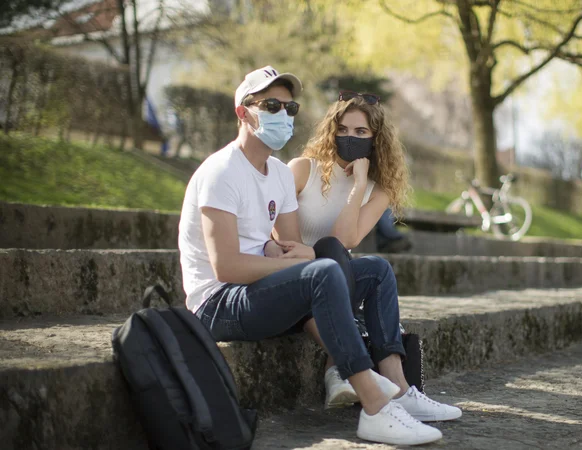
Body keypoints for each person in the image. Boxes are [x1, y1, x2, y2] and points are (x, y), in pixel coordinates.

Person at [178, 67, 444, 446]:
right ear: (243, 112)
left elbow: (288, 246)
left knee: (373, 269)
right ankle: (375, 406)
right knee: (321, 271)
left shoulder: (276, 175)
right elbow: (227, 267)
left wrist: (292, 258)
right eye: (271, 104)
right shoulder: (222, 171)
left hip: (259, 292)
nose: (283, 114)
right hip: (218, 302)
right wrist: (298, 262)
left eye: (290, 107)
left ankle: (391, 389)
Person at [283, 90, 461, 420]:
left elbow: (349, 237)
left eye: (361, 132)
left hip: (336, 290)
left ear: (376, 138)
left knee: (377, 267)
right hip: (294, 284)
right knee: (331, 251)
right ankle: (337, 367)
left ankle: (402, 388)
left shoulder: (377, 189)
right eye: (343, 130)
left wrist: (359, 183)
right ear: (331, 131)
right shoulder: (301, 170)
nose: (350, 137)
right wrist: (313, 251)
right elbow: (298, 243)